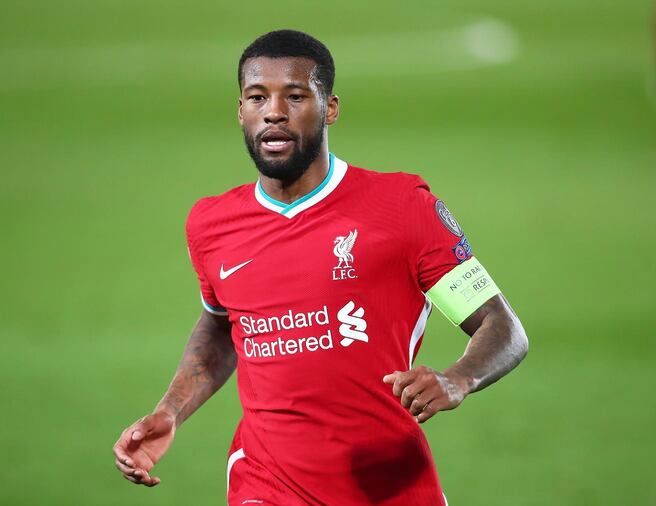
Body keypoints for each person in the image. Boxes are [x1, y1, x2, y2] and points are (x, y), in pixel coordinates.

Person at [113, 29, 528, 505]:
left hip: (388, 485)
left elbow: (503, 326)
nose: (274, 111)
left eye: (294, 96)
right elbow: (222, 325)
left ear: (329, 108)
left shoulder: (402, 209)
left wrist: (459, 378)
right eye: (257, 97)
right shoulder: (211, 225)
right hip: (266, 484)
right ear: (241, 111)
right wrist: (170, 410)